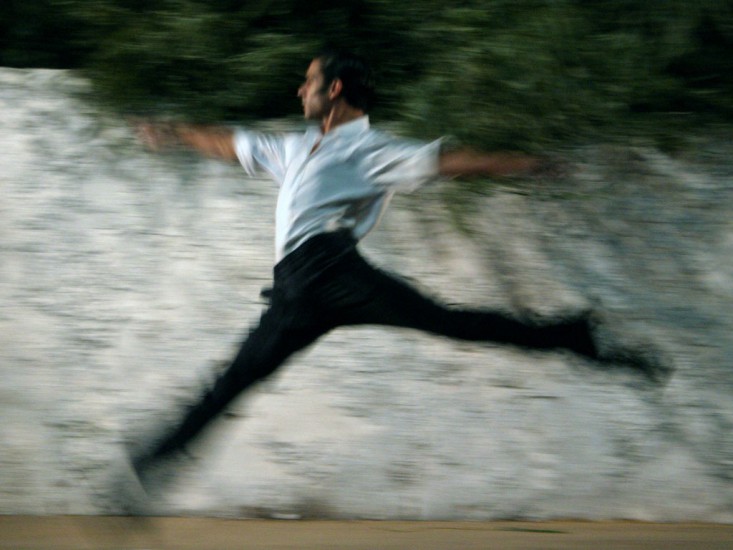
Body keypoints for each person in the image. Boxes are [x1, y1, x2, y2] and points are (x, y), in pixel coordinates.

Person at [127, 50, 665, 504]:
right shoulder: (292, 149)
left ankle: (573, 337)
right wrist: (173, 133)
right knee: (236, 379)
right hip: (298, 291)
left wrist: (529, 166)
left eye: (308, 82)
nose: (299, 91)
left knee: (449, 324)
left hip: (330, 268)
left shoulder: (370, 149)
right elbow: (229, 143)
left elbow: (452, 162)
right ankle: (150, 466)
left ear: (334, 89)